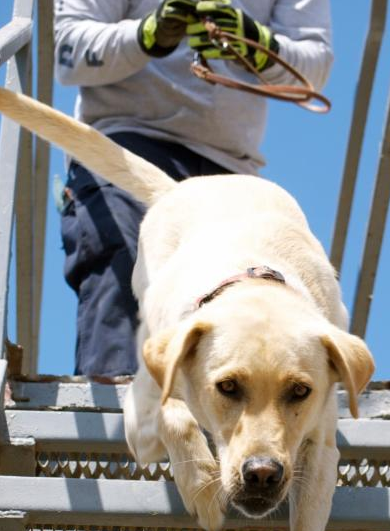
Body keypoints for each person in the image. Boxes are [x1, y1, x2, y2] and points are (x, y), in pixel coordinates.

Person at [54, 0, 333, 377]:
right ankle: (115, 420)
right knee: (125, 258)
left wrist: (256, 43)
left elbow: (314, 67)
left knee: (247, 304)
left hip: (231, 169)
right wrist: (146, 36)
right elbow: (70, 49)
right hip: (128, 145)